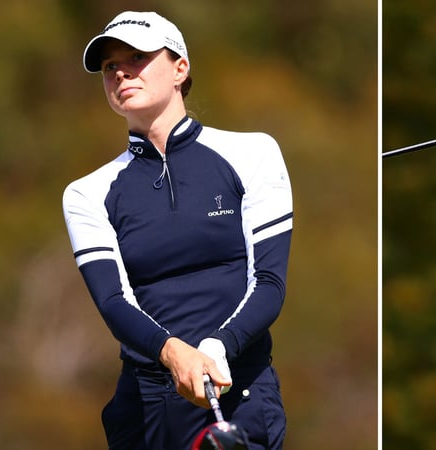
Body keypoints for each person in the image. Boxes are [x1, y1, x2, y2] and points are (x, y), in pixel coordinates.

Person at [62, 11, 292, 449]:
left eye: (137, 57)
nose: (121, 72)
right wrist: (174, 352)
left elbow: (269, 282)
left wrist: (218, 347)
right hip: (147, 406)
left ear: (180, 68)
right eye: (110, 66)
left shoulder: (254, 154)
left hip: (238, 389)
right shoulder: (86, 193)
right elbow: (113, 301)